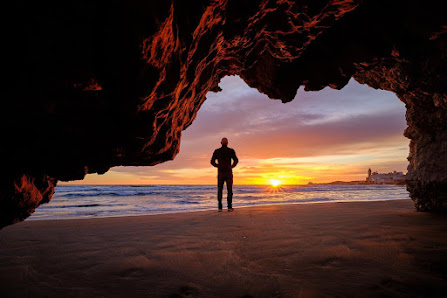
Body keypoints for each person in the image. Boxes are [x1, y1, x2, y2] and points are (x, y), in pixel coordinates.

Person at [210, 137, 239, 212]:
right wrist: (231, 166)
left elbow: (212, 161)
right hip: (228, 172)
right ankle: (229, 207)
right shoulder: (230, 151)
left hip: (221, 172)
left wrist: (218, 166)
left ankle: (220, 207)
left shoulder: (217, 151)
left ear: (221, 143)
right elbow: (236, 160)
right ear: (227, 143)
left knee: (220, 190)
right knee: (229, 190)